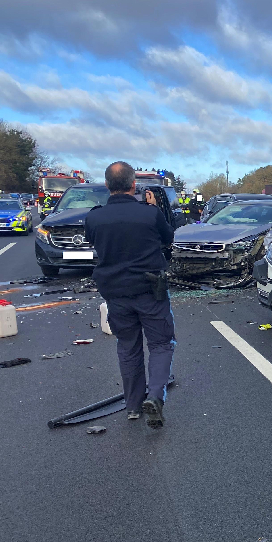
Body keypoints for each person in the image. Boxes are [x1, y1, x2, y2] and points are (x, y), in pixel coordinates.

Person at [85, 161, 176, 428]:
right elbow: (168, 238)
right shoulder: (149, 214)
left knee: (128, 347)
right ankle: (156, 397)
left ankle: (133, 406)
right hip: (150, 291)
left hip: (115, 293)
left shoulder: (94, 217)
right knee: (160, 344)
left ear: (106, 185)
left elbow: (94, 242)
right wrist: (155, 208)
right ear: (133, 185)